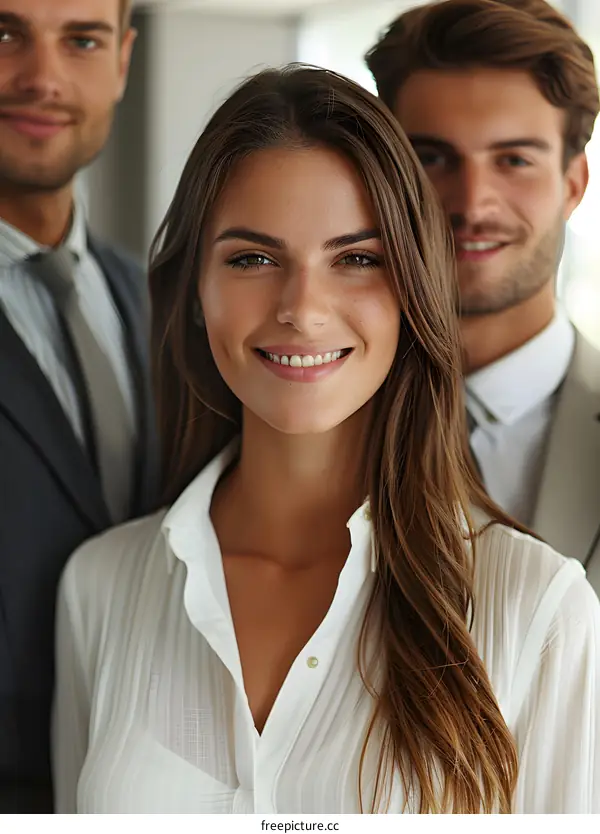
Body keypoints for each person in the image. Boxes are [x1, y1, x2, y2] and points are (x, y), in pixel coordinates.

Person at [52, 65, 599, 814]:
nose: (303, 310)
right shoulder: (100, 587)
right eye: (253, 258)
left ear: (414, 287)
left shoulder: (537, 608)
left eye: (357, 259)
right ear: (195, 290)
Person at [366, 0, 600, 592]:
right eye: (432, 157)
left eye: (514, 160)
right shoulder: (297, 416)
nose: (472, 204)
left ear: (573, 185)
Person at [0, 0, 158, 812]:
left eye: (83, 39)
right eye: (3, 33)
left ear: (123, 61)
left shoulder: (174, 308)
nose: (42, 78)